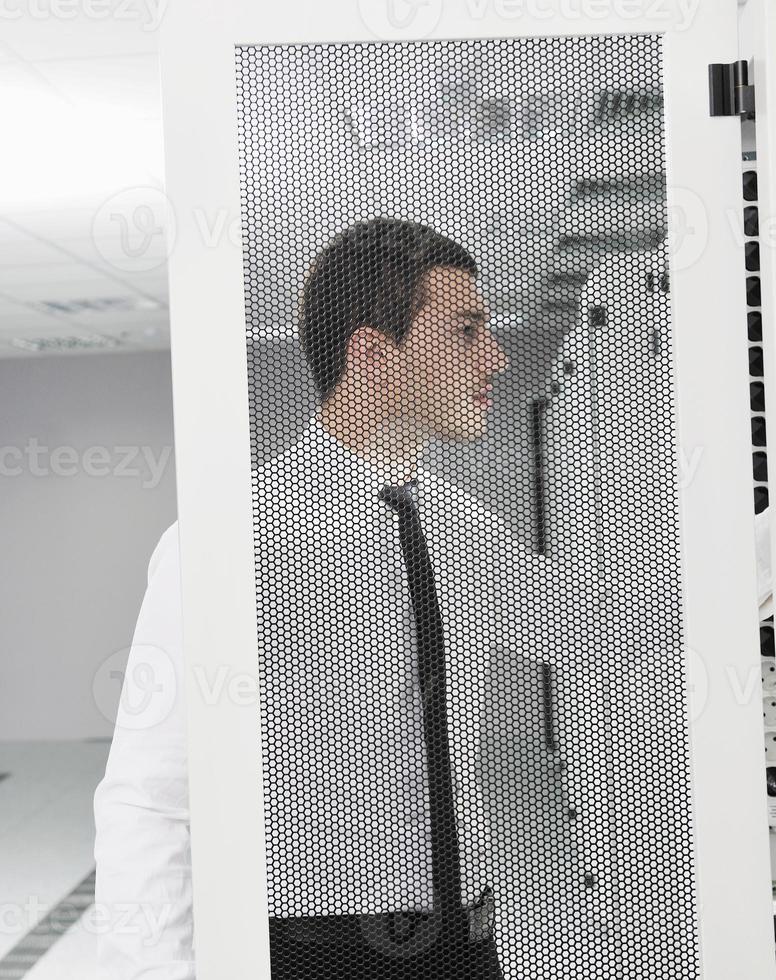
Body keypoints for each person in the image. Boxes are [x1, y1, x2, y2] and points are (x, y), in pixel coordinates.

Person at [93, 218, 516, 979]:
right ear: (373, 355)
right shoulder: (230, 542)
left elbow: (605, 629)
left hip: (466, 949)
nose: (497, 357)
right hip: (318, 957)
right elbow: (152, 801)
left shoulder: (460, 527)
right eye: (467, 332)